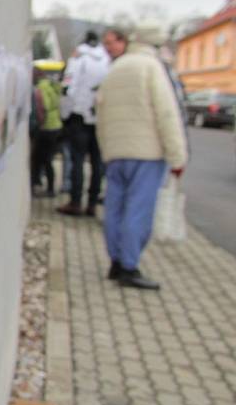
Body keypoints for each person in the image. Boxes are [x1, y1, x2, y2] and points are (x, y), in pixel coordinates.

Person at [95, 26, 188, 290]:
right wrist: (177, 156)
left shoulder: (115, 69)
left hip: (116, 153)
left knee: (115, 208)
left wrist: (106, 149)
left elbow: (100, 115)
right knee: (138, 210)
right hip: (147, 154)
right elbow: (167, 114)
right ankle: (128, 266)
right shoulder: (151, 68)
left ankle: (115, 260)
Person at [56, 31, 110, 216]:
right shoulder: (107, 60)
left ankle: (76, 200)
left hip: (78, 115)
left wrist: (64, 114)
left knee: (77, 159)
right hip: (100, 118)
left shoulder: (78, 58)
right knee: (97, 162)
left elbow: (68, 88)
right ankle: (92, 203)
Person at [30, 68, 62, 196]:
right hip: (56, 126)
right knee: (48, 159)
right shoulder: (52, 86)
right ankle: (50, 188)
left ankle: (40, 186)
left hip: (45, 128)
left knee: (40, 158)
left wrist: (38, 124)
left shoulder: (40, 89)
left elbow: (43, 107)